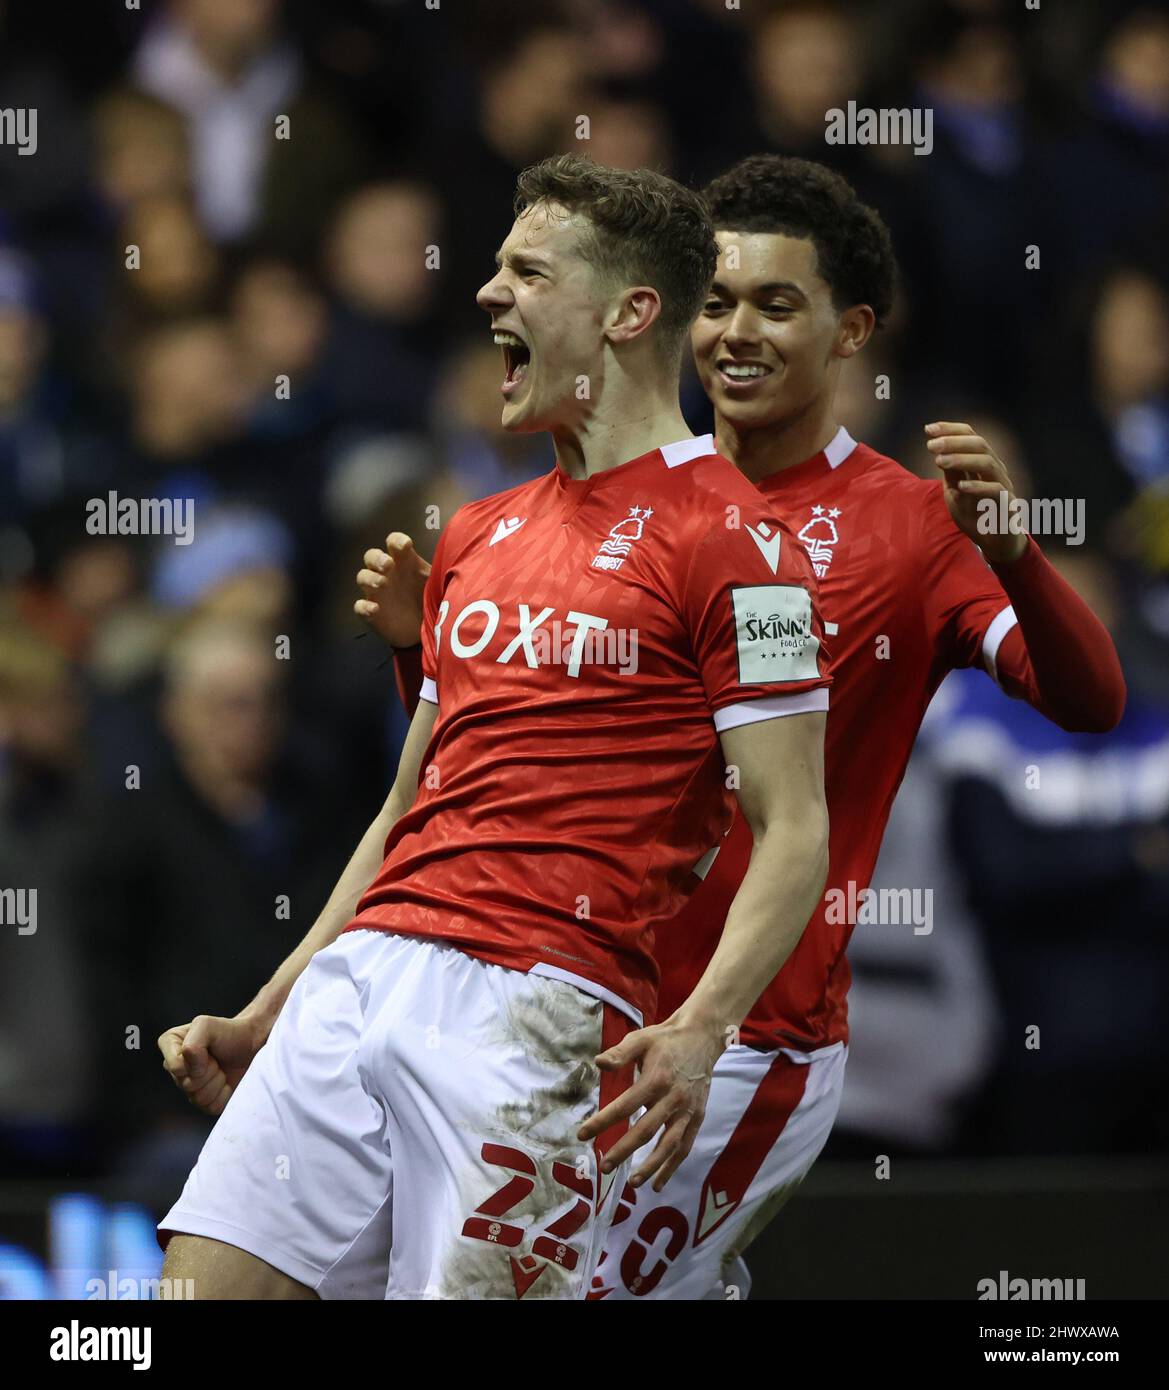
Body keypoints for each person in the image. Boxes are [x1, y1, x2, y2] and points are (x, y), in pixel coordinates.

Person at [367, 154, 1126, 1299]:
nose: (735, 332)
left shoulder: (912, 529)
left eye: (777, 304)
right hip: (564, 1006)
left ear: (849, 330)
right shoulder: (605, 507)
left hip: (742, 1039)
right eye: (716, 301)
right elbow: (511, 762)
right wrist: (410, 659)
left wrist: (1011, 557)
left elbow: (1086, 702)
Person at [155, 155, 832, 1300]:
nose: (485, 293)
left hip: (535, 1018)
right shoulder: (473, 531)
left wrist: (701, 1024)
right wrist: (274, 1005)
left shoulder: (747, 548)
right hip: (358, 983)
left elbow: (795, 825)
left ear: (627, 314)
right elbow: (406, 808)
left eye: (526, 270)